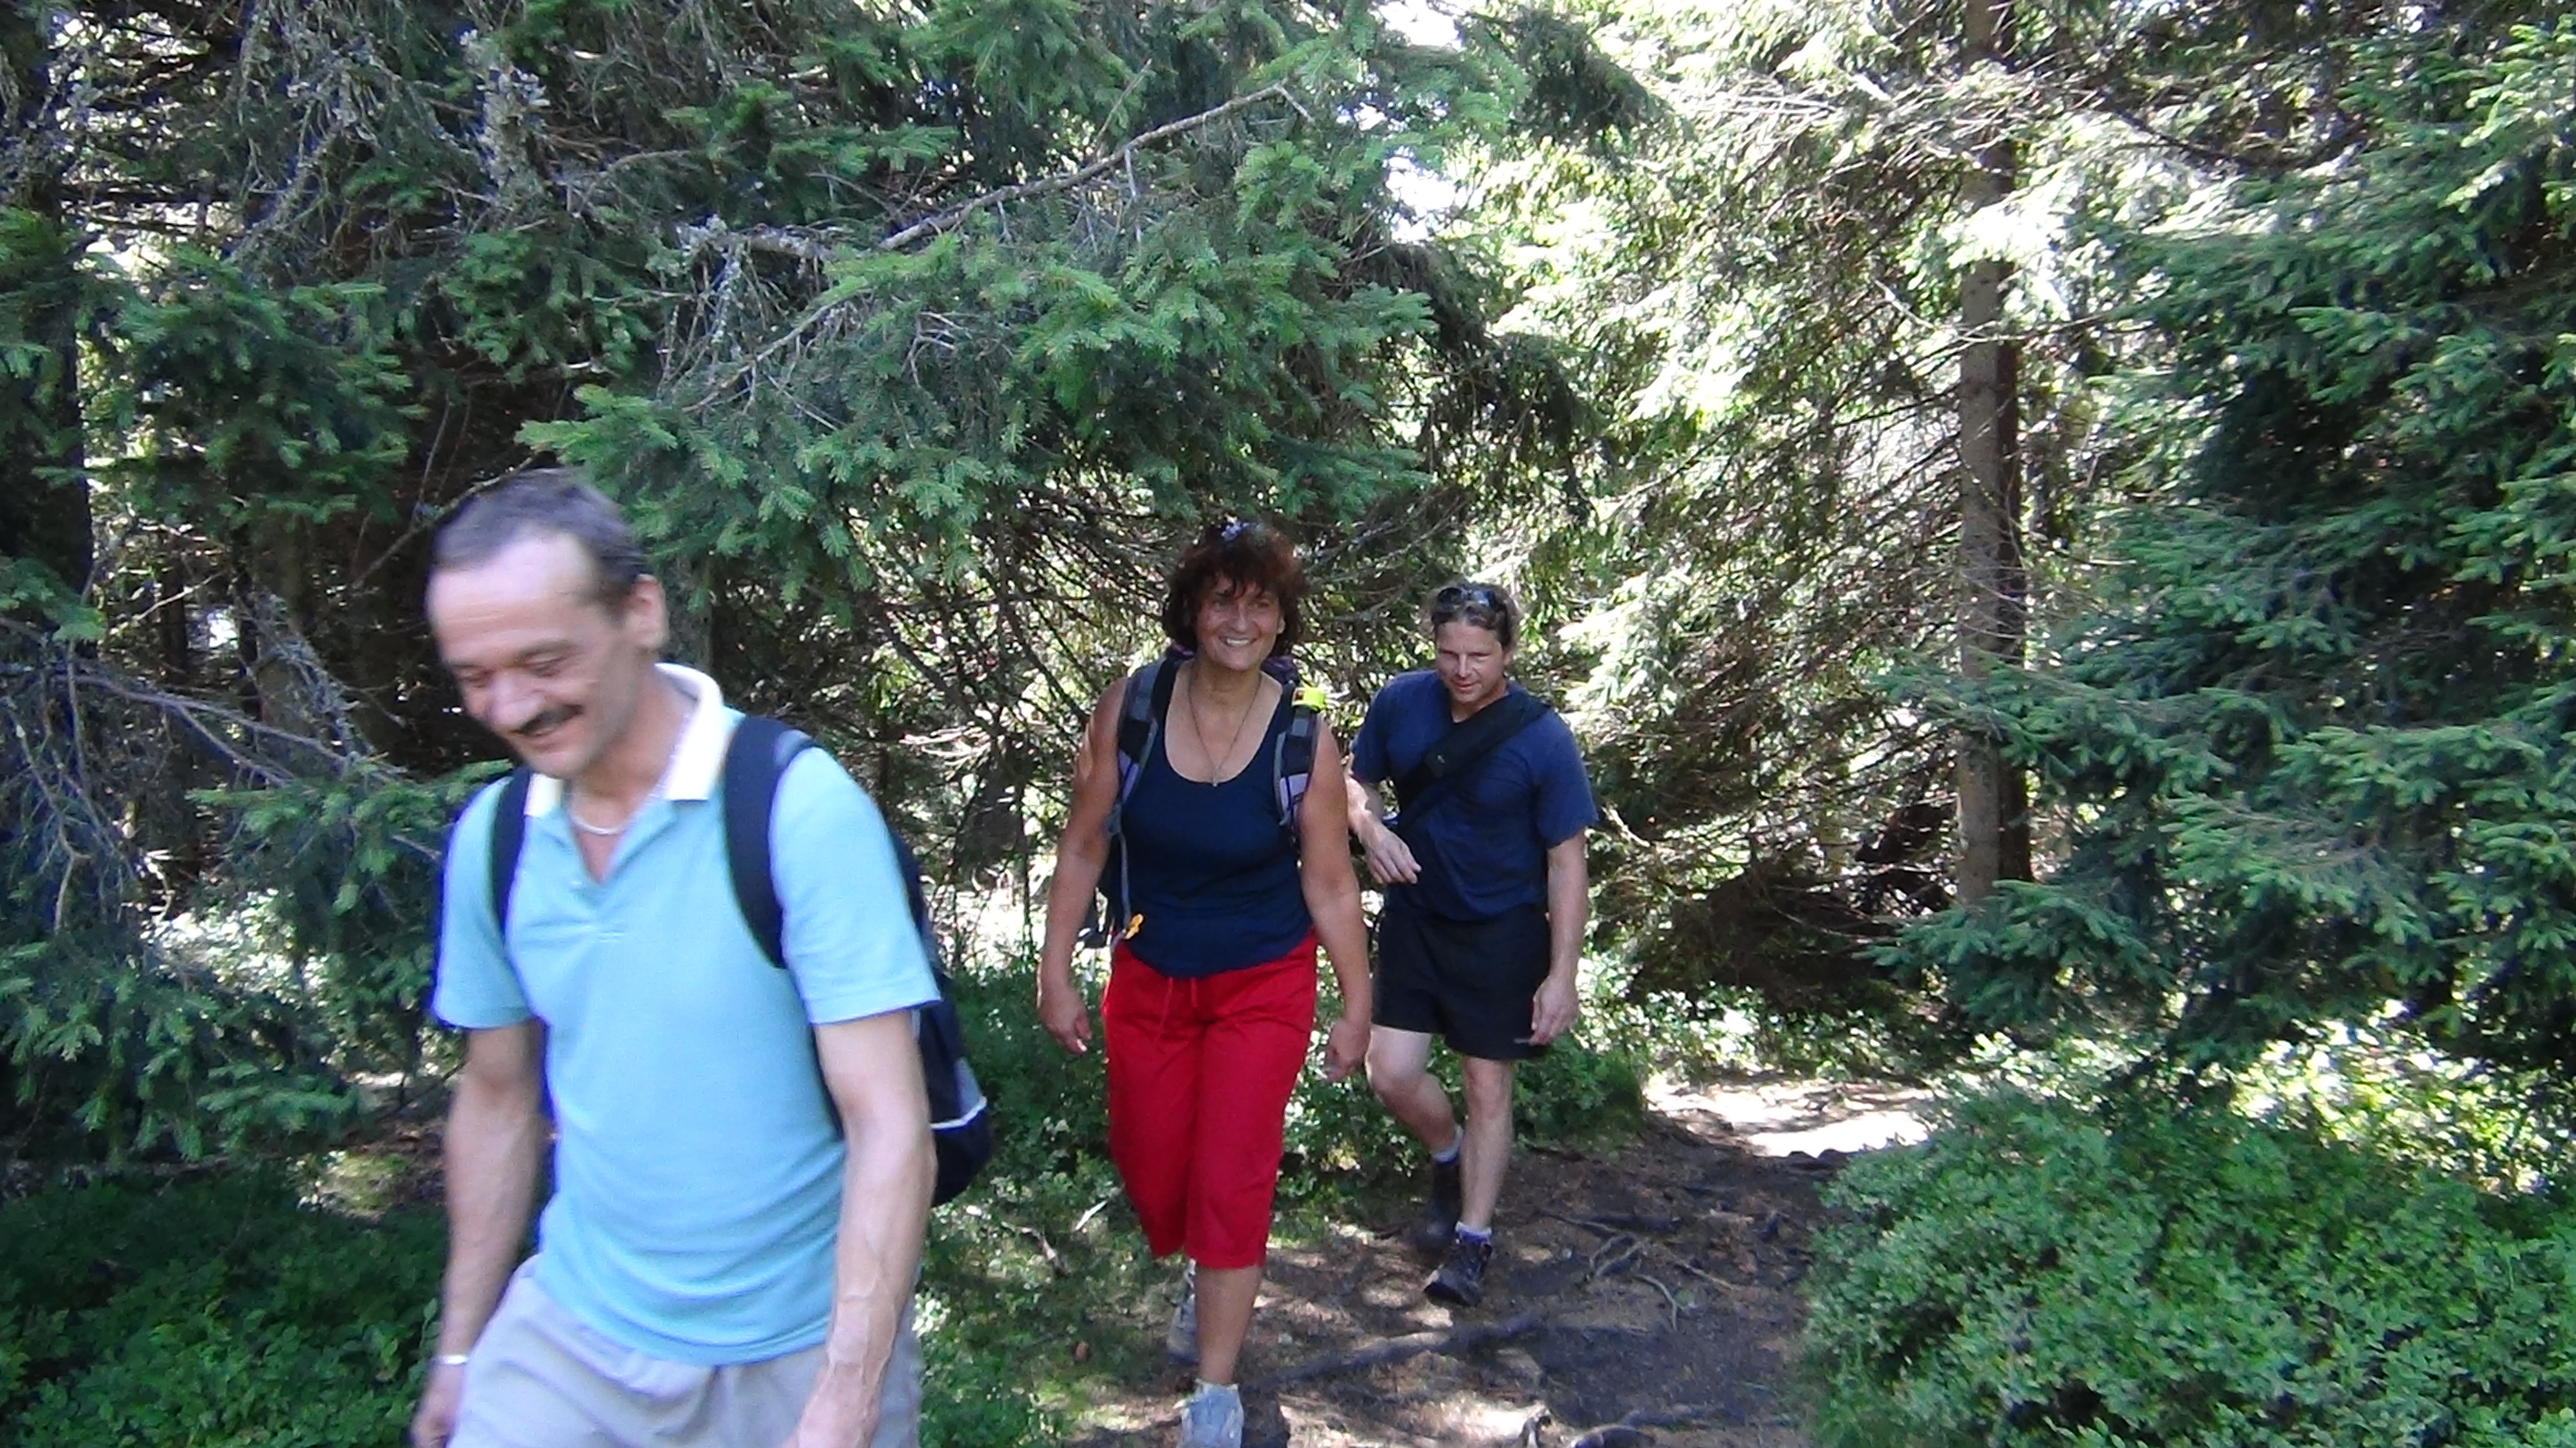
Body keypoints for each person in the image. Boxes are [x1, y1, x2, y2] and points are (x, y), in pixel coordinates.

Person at [411, 468, 938, 1448]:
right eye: (475, 676)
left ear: (641, 612)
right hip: (571, 1342)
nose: (511, 706)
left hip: (795, 1354)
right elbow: (496, 1094)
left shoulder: (795, 812)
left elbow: (889, 1121)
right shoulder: (496, 840)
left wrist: (845, 1397)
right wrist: (460, 1351)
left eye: (543, 661)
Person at [1035, 520, 1373, 1448]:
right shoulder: (1134, 706)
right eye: (1223, 599)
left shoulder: (1304, 734)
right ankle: (1202, 1264)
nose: (1240, 619)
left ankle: (1215, 1395)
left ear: (1282, 620)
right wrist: (1055, 968)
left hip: (1263, 980)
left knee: (1233, 1172)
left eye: (1261, 603)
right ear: (1192, 608)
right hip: (1151, 968)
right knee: (1150, 1161)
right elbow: (1084, 842)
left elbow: (1330, 881)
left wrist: (1358, 1004)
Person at [1346, 581, 1596, 1309]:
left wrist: (1562, 975)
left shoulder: (1542, 737)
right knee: (1391, 1074)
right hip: (1416, 919)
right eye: (1449, 653)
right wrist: (1371, 828)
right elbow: (1356, 782)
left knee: (1488, 1087)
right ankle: (1448, 1155)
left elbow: (1567, 861)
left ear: (1507, 651)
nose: (1462, 670)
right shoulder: (1401, 702)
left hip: (1502, 932)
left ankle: (1473, 1240)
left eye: (1478, 656)